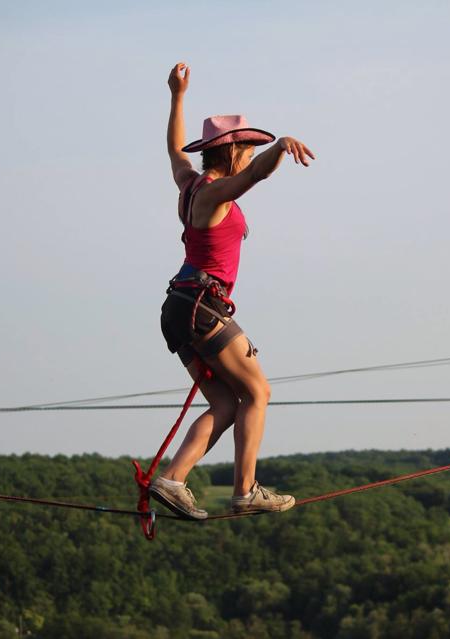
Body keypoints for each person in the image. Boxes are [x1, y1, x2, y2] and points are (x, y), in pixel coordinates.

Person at [150, 62, 315, 520]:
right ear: (232, 151)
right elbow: (255, 176)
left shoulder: (190, 185)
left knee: (225, 402)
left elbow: (173, 152)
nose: (248, 155)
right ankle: (246, 490)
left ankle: (172, 480)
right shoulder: (214, 194)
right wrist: (280, 146)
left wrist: (177, 96)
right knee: (258, 393)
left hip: (181, 307)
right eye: (246, 149)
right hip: (202, 307)